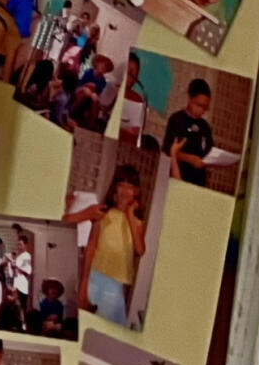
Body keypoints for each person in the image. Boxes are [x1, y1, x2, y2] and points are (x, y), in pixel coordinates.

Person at [70, 163, 152, 325]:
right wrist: (84, 281)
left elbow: (140, 249)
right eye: (121, 185)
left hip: (115, 281)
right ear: (115, 187)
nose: (125, 190)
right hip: (94, 273)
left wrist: (129, 214)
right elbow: (91, 246)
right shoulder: (103, 211)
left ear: (136, 191)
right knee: (83, 322)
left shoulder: (137, 219)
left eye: (130, 186)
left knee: (110, 327)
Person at [165, 78, 222, 186]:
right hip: (178, 176)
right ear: (190, 98)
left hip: (198, 181)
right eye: (199, 105)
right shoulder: (177, 119)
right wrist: (190, 159)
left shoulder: (205, 126)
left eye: (205, 107)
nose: (201, 110)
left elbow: (209, 151)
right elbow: (168, 150)